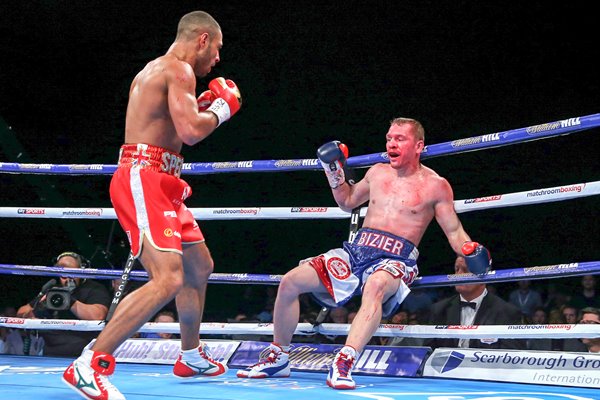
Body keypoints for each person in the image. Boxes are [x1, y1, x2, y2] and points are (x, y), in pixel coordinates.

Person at [62, 10, 242, 400]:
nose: (217, 60)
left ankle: (191, 354)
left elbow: (178, 126)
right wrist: (221, 109)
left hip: (164, 179)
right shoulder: (178, 71)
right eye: (217, 50)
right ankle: (90, 362)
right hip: (144, 177)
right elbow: (193, 132)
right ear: (202, 40)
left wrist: (204, 107)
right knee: (168, 278)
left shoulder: (157, 69)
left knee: (199, 265)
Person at [237, 117, 491, 389]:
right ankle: (279, 356)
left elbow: (454, 232)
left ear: (418, 146)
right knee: (290, 281)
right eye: (389, 138)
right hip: (356, 251)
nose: (391, 144)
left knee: (377, 284)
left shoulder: (436, 185)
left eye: (399, 139)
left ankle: (344, 361)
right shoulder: (377, 172)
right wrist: (333, 170)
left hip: (397, 258)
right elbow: (347, 201)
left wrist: (470, 249)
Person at [17, 251, 111, 357]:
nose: (68, 278)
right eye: (64, 274)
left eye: (72, 273)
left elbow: (98, 316)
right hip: (50, 352)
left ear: (81, 270)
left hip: (83, 352)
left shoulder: (94, 288)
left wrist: (70, 301)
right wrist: (39, 307)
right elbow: (21, 312)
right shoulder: (53, 290)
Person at [425, 257, 526, 351]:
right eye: (457, 269)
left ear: (484, 275)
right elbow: (428, 353)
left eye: (465, 270)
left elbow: (513, 358)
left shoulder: (506, 312)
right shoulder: (439, 309)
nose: (459, 275)